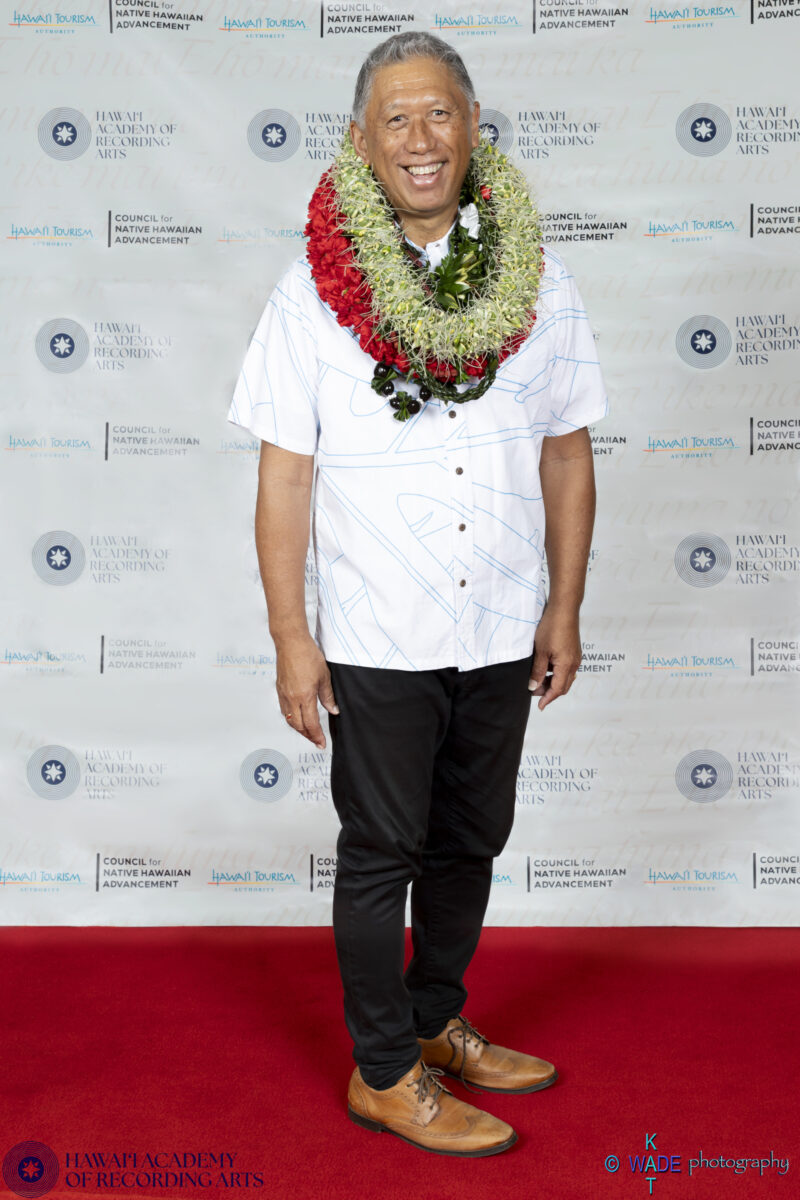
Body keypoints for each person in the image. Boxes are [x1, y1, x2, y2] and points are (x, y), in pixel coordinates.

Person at [228, 32, 608, 1158]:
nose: (419, 138)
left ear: (473, 124)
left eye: (438, 113)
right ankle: (385, 1071)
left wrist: (563, 607)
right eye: (394, 119)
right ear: (361, 141)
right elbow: (284, 474)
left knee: (470, 839)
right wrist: (291, 637)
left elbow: (568, 452)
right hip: (377, 630)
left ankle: (436, 1018)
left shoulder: (538, 279)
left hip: (498, 619)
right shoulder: (311, 292)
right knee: (380, 851)